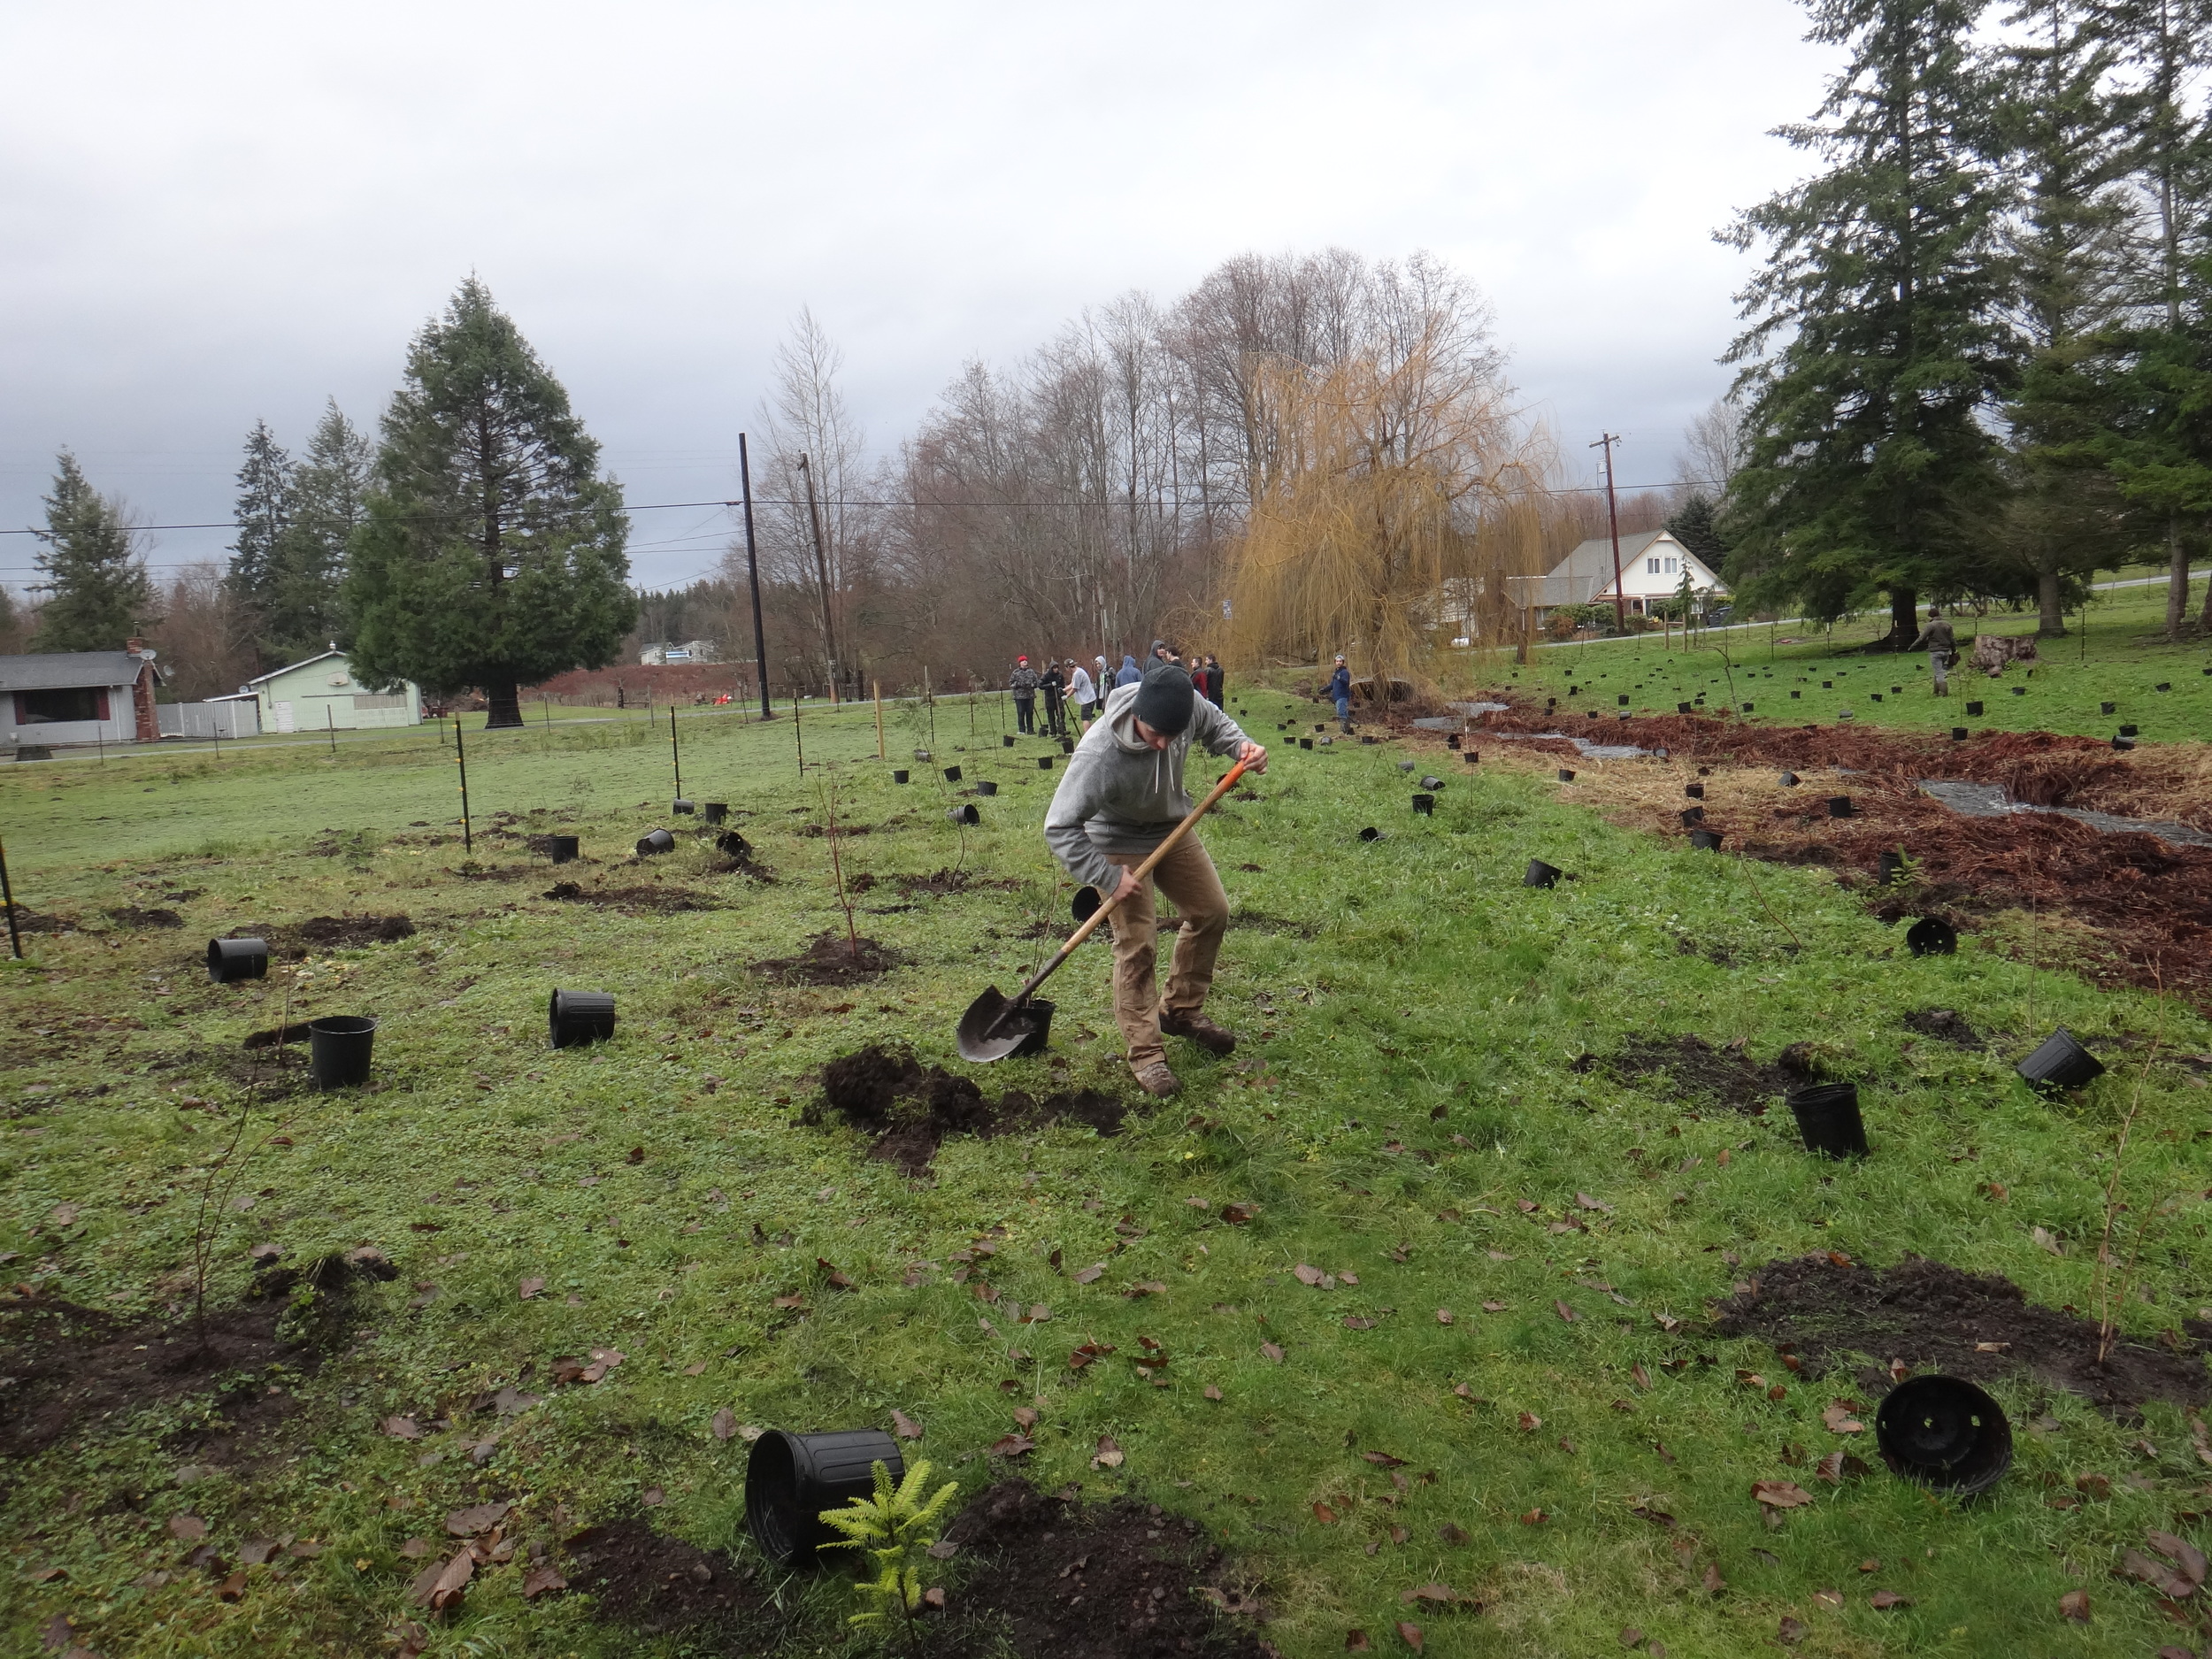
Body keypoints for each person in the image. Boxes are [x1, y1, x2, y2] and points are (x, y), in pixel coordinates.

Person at [1044, 663, 1268, 1097]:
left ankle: (1181, 1011)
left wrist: (1244, 747)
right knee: (1137, 942)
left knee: (1211, 912)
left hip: (1171, 829)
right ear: (1136, 716)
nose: (1164, 745)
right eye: (1154, 735)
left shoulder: (1183, 709)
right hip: (1115, 838)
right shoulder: (1098, 755)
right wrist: (1105, 874)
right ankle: (1147, 1056)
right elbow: (1058, 826)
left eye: (1173, 735)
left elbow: (1217, 724)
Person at [1908, 608, 1956, 695]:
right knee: (1938, 670)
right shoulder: (1947, 624)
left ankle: (1944, 691)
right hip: (1946, 651)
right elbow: (1952, 639)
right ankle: (1935, 691)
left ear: (1931, 615)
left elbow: (1921, 638)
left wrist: (1912, 647)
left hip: (1935, 651)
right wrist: (1954, 650)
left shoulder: (1931, 625)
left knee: (1939, 672)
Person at [1010, 655, 1041, 733]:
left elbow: (1036, 682)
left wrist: (1032, 685)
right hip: (1019, 697)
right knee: (1021, 713)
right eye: (1023, 661)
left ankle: (1031, 730)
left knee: (1030, 713)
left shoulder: (1031, 672)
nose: (1025, 662)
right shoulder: (1015, 672)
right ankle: (1022, 730)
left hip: (1030, 696)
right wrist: (1019, 684)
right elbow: (1011, 683)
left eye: (1026, 661)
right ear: (1020, 663)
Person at [1326, 654, 1353, 733]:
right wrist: (1324, 690)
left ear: (1343, 662)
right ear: (1335, 662)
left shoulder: (1344, 672)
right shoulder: (1336, 673)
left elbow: (1346, 682)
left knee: (1341, 712)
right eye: (1337, 661)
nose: (1338, 663)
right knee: (1343, 712)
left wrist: (1339, 678)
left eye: (1340, 661)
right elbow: (1332, 685)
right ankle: (1348, 730)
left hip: (1343, 695)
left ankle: (1344, 730)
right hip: (1337, 696)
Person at [1067, 658, 1097, 726]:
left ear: (1068, 668)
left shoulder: (1077, 674)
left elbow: (1075, 688)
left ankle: (1087, 735)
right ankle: (1090, 734)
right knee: (1087, 718)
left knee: (1085, 719)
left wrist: (1066, 696)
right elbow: (1073, 683)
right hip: (1089, 698)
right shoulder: (1078, 671)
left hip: (1087, 700)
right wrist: (1064, 690)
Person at [1041, 660, 1066, 736]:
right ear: (1051, 668)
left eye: (1057, 668)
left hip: (1058, 697)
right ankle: (1053, 731)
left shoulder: (1060, 675)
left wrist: (1063, 694)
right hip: (1049, 698)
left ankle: (1062, 729)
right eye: (1054, 668)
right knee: (1051, 715)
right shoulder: (1046, 676)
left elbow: (1063, 685)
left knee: (1061, 713)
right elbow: (1040, 685)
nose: (1056, 670)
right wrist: (1050, 685)